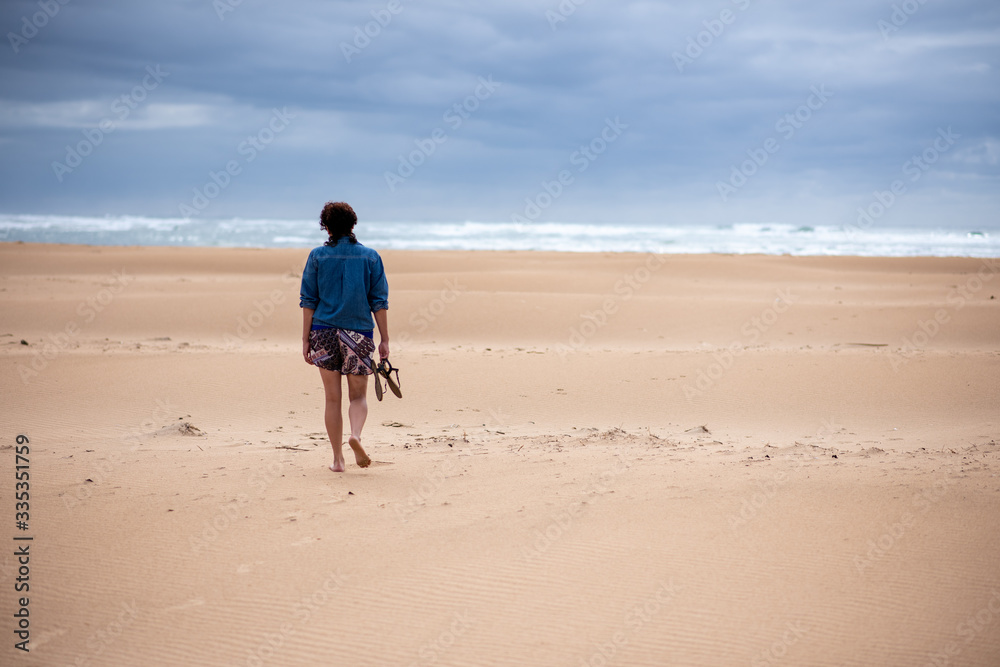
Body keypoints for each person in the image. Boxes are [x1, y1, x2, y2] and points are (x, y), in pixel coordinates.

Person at [300, 202, 389, 472]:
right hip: (358, 332)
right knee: (358, 397)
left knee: (331, 399)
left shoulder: (316, 256)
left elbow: (308, 300)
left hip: (323, 332)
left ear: (326, 227)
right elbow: (379, 301)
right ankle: (356, 436)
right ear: (353, 224)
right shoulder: (371, 257)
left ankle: (338, 461)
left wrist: (305, 339)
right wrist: (385, 338)